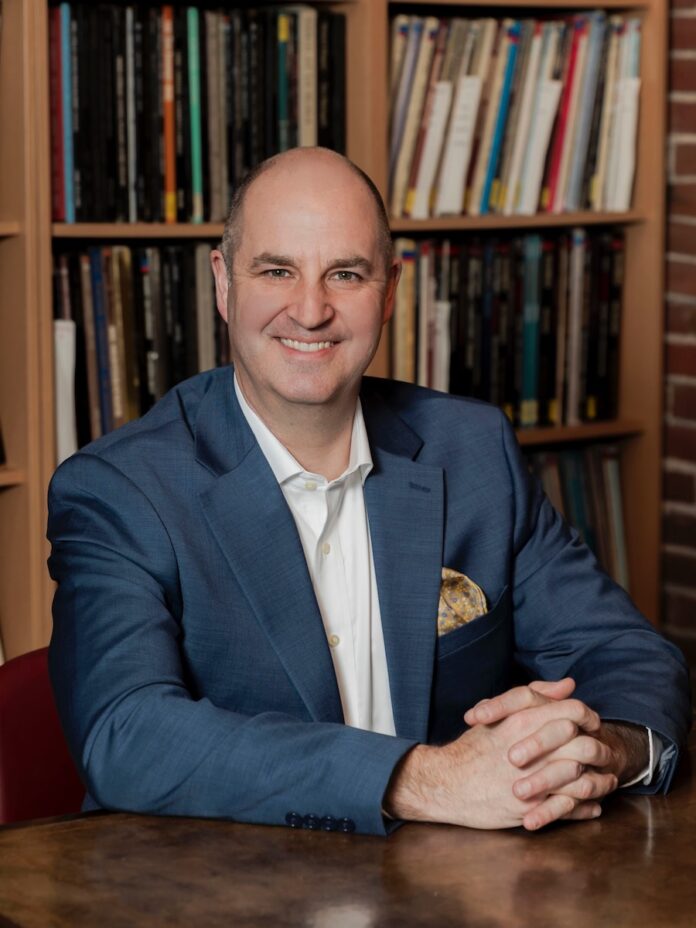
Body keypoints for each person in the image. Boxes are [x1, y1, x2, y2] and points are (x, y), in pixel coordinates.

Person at [47, 148, 691, 836]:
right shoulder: (120, 490)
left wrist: (594, 753)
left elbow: (627, 654)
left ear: (389, 291)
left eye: (345, 274)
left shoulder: (472, 451)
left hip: (453, 892)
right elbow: (128, 733)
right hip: (225, 894)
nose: (311, 309)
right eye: (276, 271)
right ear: (223, 283)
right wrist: (423, 780)